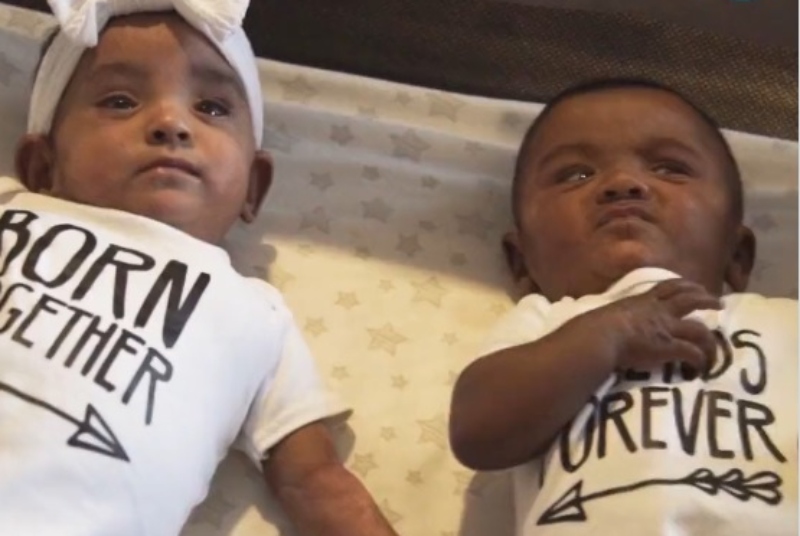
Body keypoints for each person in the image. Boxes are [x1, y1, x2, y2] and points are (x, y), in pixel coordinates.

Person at [0, 1, 397, 535]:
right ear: (41, 166)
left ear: (253, 187)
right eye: (120, 101)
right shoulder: (13, 209)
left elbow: (316, 480)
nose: (170, 123)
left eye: (211, 108)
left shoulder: (256, 317)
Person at [449, 78, 797, 535]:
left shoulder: (784, 323)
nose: (622, 183)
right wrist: (611, 335)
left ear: (738, 255)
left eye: (669, 168)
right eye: (575, 174)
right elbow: (478, 434)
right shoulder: (543, 326)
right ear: (522, 262)